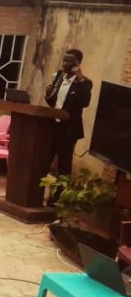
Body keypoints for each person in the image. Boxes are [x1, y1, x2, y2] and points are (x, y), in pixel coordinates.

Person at [45, 48, 93, 205]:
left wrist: (78, 78)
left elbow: (84, 102)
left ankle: (57, 199)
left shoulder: (84, 82)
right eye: (64, 60)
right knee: (44, 160)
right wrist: (48, 94)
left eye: (69, 61)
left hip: (68, 131)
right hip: (53, 127)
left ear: (77, 63)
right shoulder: (59, 76)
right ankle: (37, 193)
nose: (65, 63)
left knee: (63, 167)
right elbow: (53, 102)